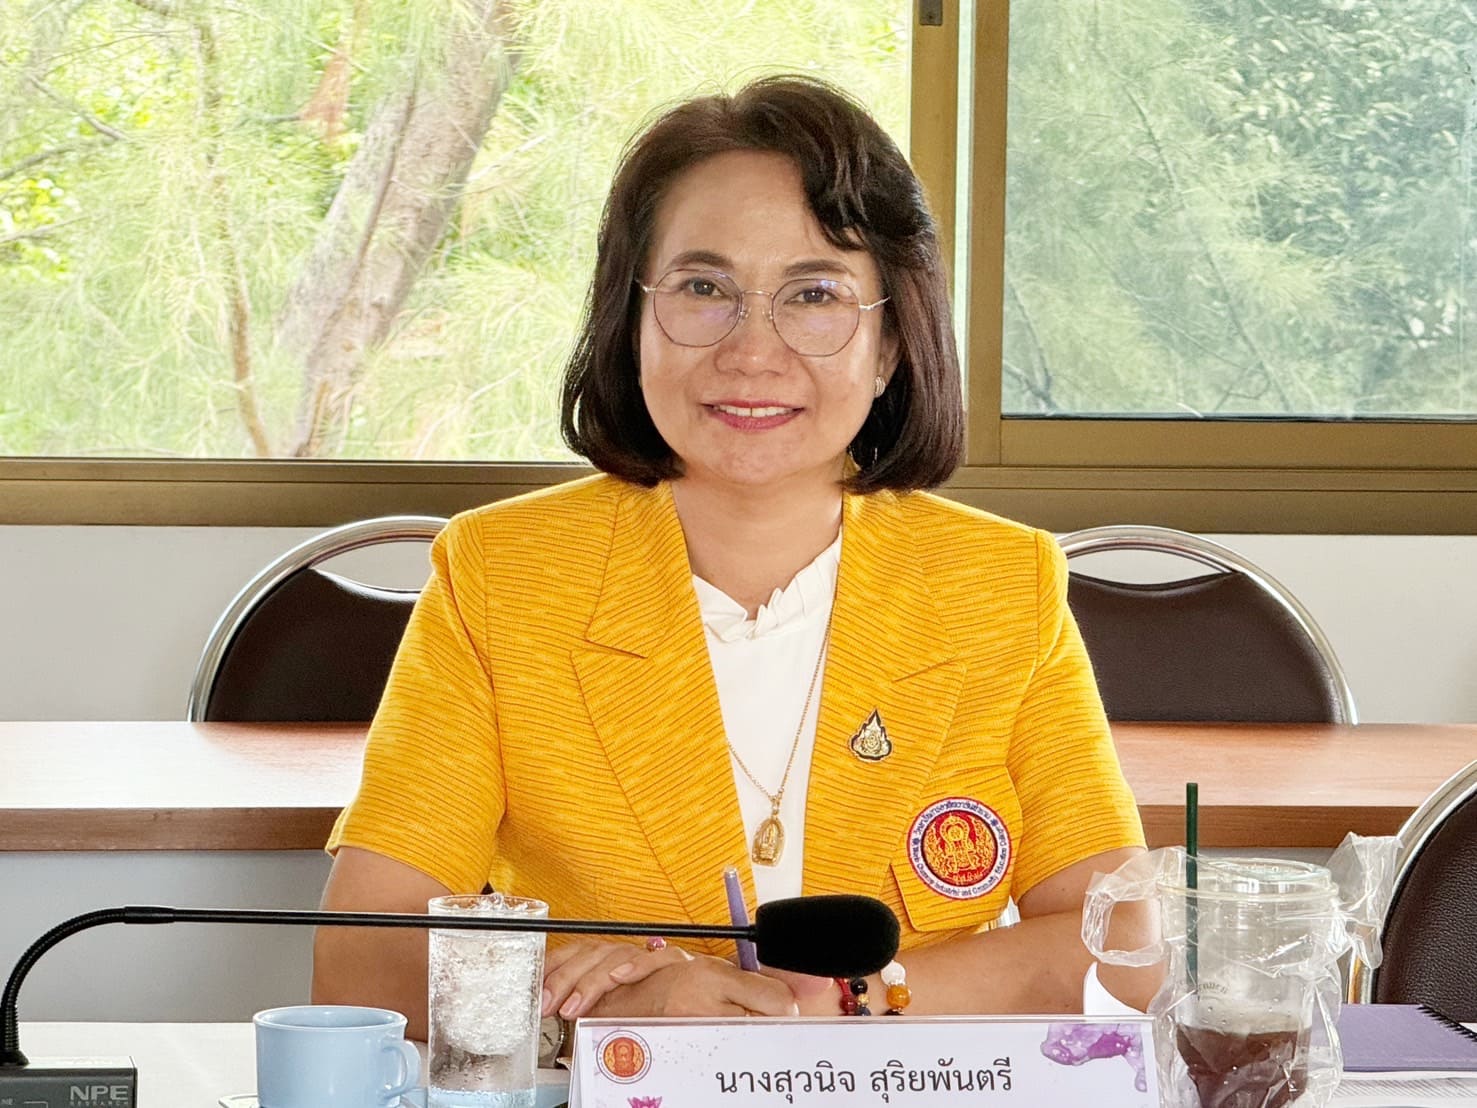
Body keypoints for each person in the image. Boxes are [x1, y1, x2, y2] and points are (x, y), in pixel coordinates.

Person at [312, 75, 1154, 1039]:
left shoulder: (999, 584)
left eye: (815, 295)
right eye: (703, 289)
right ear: (631, 323)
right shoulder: (503, 575)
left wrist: (842, 1000)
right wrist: (611, 1008)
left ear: (888, 346)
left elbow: (1124, 948)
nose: (753, 352)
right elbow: (359, 959)